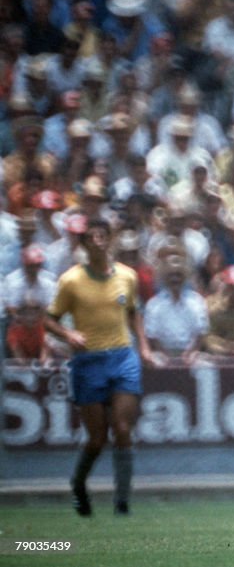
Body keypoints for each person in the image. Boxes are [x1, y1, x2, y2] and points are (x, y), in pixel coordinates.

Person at [43, 218, 154, 516]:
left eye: (103, 236)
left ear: (110, 239)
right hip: (88, 360)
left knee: (122, 428)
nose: (99, 242)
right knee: (96, 437)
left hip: (122, 356)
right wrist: (68, 334)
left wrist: (143, 346)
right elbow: (49, 319)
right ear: (84, 244)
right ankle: (78, 483)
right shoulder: (71, 280)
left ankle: (122, 501)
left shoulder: (127, 277)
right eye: (92, 238)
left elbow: (134, 312)